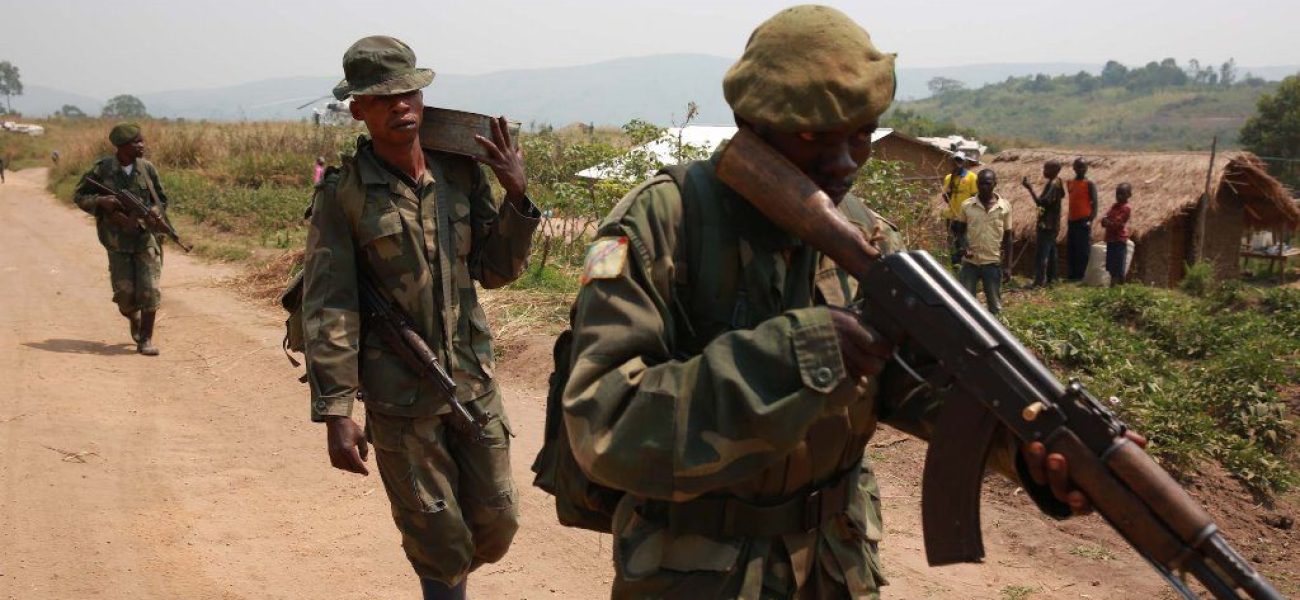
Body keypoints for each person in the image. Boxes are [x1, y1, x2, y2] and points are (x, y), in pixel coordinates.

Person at [561, 7, 1104, 599]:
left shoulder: (867, 239)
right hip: (691, 572)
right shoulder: (663, 222)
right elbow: (604, 423)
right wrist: (797, 356)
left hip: (836, 568)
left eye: (860, 134)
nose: (844, 161)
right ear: (750, 122)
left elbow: (923, 386)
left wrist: (1029, 453)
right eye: (815, 136)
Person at [300, 36, 538, 600]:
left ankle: (448, 569)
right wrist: (337, 411)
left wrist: (517, 197)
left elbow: (496, 270)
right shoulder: (344, 194)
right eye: (383, 99)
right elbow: (330, 303)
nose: (400, 105)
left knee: (498, 524)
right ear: (357, 109)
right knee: (438, 540)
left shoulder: (458, 173)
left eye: (408, 92)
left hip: (472, 381)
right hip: (399, 397)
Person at [72, 123, 170, 355]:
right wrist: (101, 202)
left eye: (141, 141)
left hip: (145, 238)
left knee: (150, 290)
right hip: (117, 242)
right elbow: (79, 195)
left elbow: (161, 199)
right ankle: (133, 318)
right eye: (136, 142)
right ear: (122, 147)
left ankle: (145, 339)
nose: (142, 145)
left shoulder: (147, 169)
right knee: (125, 296)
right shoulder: (103, 170)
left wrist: (155, 211)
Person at [955, 169, 1013, 314]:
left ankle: (994, 334)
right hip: (970, 263)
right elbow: (959, 231)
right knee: (966, 304)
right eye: (980, 184)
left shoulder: (1004, 207)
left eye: (987, 184)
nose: (983, 187)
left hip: (992, 263)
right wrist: (964, 246)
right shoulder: (967, 205)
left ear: (995, 184)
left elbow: (1008, 237)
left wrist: (1008, 266)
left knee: (995, 306)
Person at [1021, 160, 1065, 287]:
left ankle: (1039, 281)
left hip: (1047, 224)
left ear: (1055, 171)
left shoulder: (1053, 185)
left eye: (1046, 169)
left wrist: (1030, 189)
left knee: (1042, 253)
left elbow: (1041, 203)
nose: (1044, 171)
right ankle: (1053, 279)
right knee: (1051, 252)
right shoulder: (1058, 182)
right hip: (1053, 223)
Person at [943, 152, 979, 264]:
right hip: (951, 215)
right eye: (954, 161)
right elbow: (946, 196)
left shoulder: (971, 177)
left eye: (959, 161)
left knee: (964, 242)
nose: (956, 163)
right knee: (952, 242)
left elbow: (975, 196)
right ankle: (954, 265)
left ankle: (966, 265)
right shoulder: (949, 178)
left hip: (965, 217)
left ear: (964, 162)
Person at [1065, 157, 1098, 280]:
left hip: (1084, 221)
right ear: (1074, 168)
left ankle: (1082, 276)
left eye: (1083, 167)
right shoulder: (1070, 183)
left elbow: (1094, 203)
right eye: (1078, 167)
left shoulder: (1089, 184)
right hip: (1072, 220)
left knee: (1083, 250)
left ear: (1086, 168)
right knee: (1072, 248)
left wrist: (1091, 220)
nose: (1081, 169)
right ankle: (1072, 275)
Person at [1101, 183, 1133, 286]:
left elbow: (1117, 224)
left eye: (1122, 194)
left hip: (1119, 239)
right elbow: (1105, 219)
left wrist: (1108, 222)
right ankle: (1113, 287)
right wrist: (1106, 222)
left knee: (1118, 266)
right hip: (1110, 239)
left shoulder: (1126, 208)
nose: (1119, 196)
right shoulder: (1114, 206)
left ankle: (1118, 288)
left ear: (1129, 195)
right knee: (1111, 266)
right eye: (1117, 194)